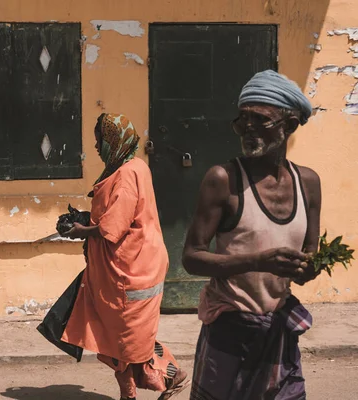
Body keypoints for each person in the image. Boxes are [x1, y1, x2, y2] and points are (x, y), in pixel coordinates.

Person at [182, 70, 321, 399]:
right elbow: (191, 257)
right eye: (242, 119)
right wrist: (258, 261)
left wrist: (305, 269)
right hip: (230, 327)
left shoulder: (308, 184)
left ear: (288, 125)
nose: (247, 127)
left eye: (259, 120)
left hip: (279, 328)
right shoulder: (223, 180)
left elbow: (311, 256)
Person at [63, 113, 188, 400]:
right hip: (129, 266)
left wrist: (82, 230)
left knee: (123, 337)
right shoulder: (134, 166)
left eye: (100, 141)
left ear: (115, 141)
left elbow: (113, 227)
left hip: (131, 272)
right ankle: (163, 379)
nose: (96, 147)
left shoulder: (127, 174)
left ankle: (144, 387)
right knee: (123, 335)